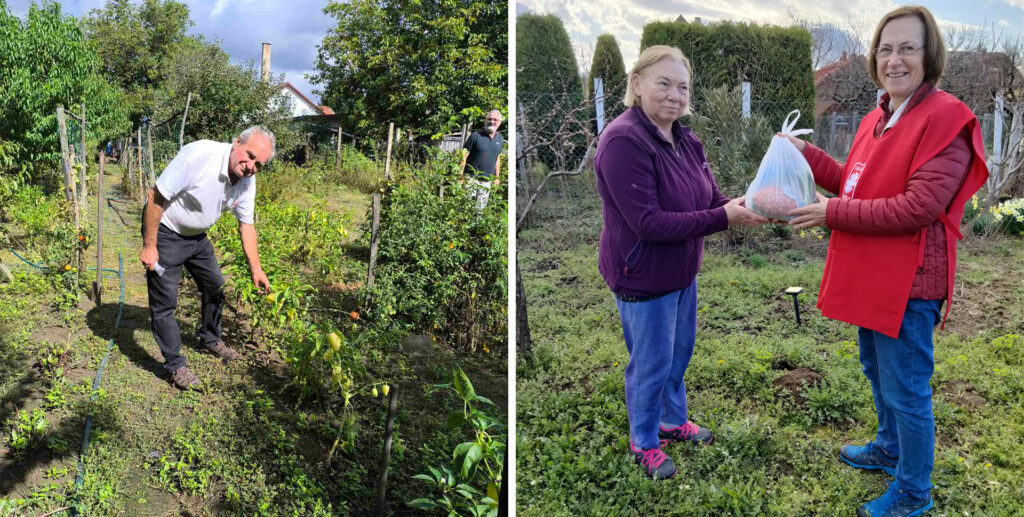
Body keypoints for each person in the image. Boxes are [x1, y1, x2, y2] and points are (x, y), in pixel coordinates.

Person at [784, 6, 988, 516]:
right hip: (876, 272)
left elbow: (920, 207)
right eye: (885, 48)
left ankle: (914, 491)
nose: (894, 59)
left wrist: (833, 212)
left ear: (929, 55)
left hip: (911, 280)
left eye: (907, 48)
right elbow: (854, 182)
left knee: (907, 388)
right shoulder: (879, 116)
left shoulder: (946, 119)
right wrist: (802, 154)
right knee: (876, 368)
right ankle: (888, 447)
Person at [595, 45, 767, 480]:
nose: (675, 95)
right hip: (643, 275)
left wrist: (741, 205)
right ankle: (644, 440)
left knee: (677, 355)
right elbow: (648, 222)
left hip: (681, 272)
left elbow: (710, 199)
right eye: (664, 84)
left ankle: (673, 420)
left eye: (683, 87)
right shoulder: (622, 140)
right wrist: (722, 218)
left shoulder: (686, 139)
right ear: (637, 84)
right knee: (650, 362)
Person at [139, 126, 275, 390]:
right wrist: (149, 245)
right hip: (166, 231)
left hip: (197, 237)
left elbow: (246, 226)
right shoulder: (200, 155)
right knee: (165, 303)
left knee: (215, 284)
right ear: (236, 142)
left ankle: (210, 339)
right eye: (249, 155)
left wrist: (256, 269)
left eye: (259, 164)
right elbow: (155, 197)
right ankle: (175, 365)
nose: (251, 166)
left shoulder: (247, 182)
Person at [460, 109, 504, 210]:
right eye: (489, 119)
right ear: (485, 120)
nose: (492, 121)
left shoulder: (500, 139)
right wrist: (460, 175)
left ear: (499, 122)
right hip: (471, 178)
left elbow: (497, 157)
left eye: (495, 119)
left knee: (480, 210)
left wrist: (497, 177)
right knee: (466, 208)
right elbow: (463, 156)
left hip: (487, 181)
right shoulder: (475, 136)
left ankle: (477, 225)